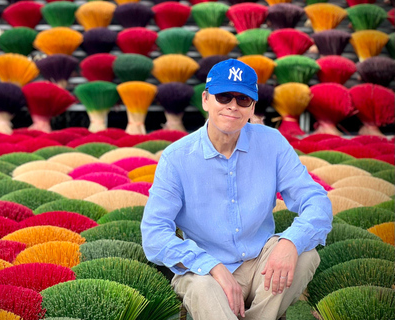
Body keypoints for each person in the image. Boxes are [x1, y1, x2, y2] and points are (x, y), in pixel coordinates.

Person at [141, 59, 332, 320]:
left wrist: (290, 241)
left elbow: (316, 201)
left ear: (252, 107)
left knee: (305, 255)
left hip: (259, 265)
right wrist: (213, 266)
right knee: (202, 286)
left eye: (243, 100)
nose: (233, 106)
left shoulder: (272, 143)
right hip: (205, 270)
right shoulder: (176, 158)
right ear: (206, 100)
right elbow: (154, 234)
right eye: (224, 97)